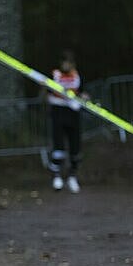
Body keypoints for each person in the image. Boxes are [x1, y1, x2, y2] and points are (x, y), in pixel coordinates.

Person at [47, 50, 88, 193]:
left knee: (75, 148)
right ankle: (56, 176)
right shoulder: (54, 75)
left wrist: (84, 97)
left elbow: (83, 92)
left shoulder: (77, 76)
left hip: (73, 115)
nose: (67, 65)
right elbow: (45, 92)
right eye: (65, 62)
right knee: (58, 148)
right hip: (58, 115)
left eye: (70, 63)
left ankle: (72, 176)